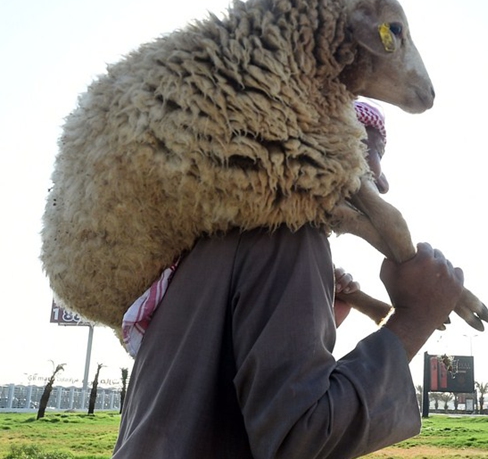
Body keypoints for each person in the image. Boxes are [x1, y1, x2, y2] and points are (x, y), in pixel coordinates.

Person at [113, 101, 463, 458]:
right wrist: (414, 320)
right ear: (332, 147)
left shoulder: (213, 239)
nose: (383, 180)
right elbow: (300, 439)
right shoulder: (287, 235)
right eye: (369, 150)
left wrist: (312, 321)